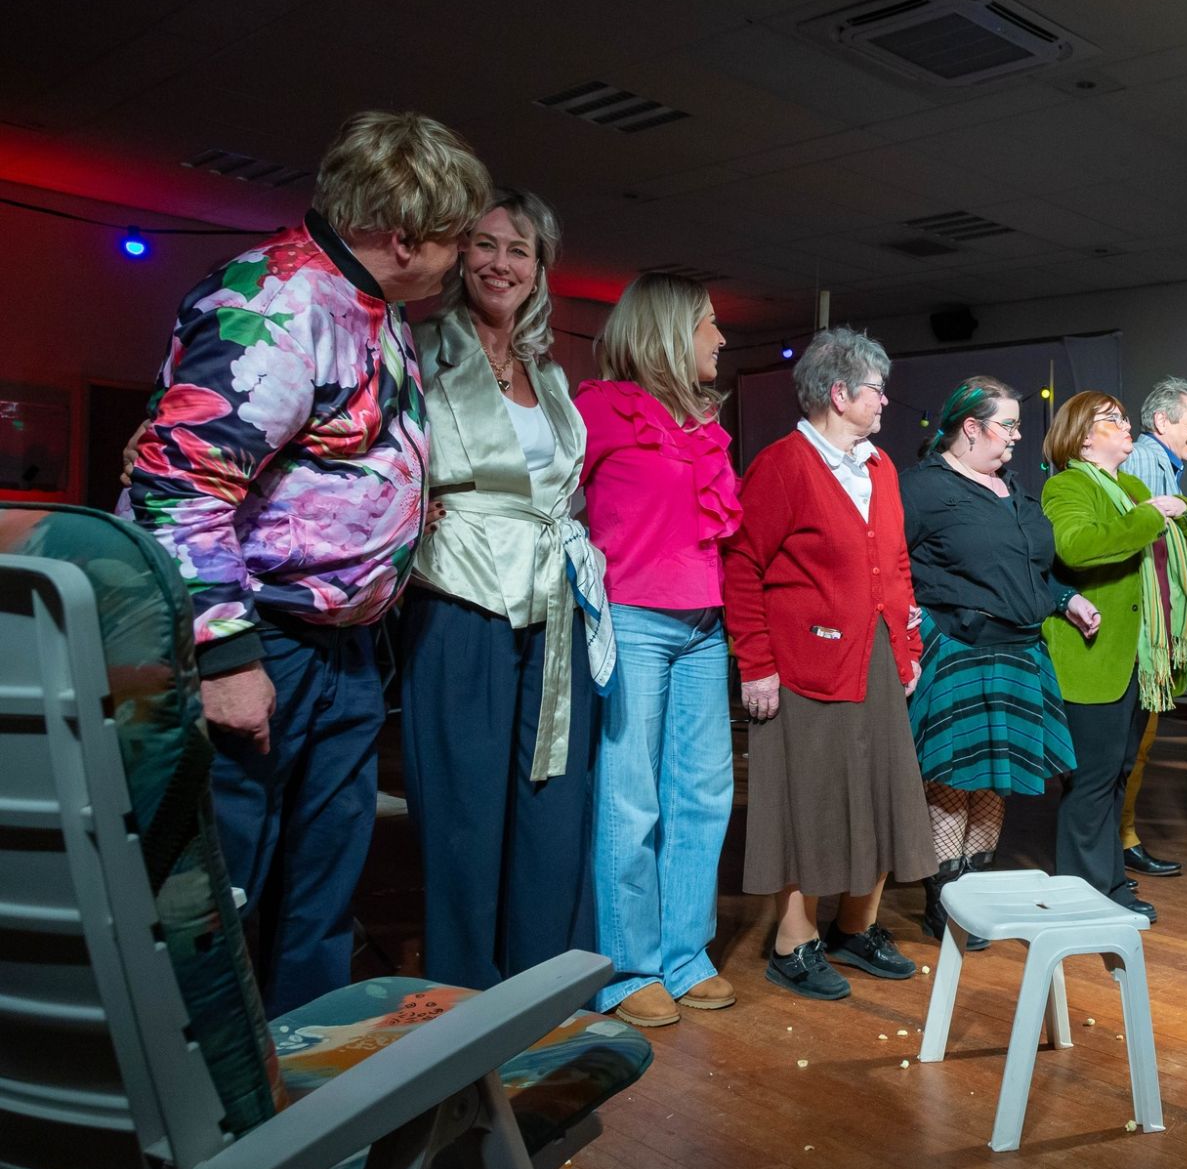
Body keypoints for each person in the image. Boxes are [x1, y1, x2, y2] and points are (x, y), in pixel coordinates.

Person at [123, 111, 490, 1013]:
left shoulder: (372, 306)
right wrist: (225, 660)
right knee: (221, 891)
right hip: (262, 643)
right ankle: (212, 1084)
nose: (460, 260)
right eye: (454, 239)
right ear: (404, 237)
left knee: (320, 892)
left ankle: (304, 1076)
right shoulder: (282, 301)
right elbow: (177, 487)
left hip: (342, 649)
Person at [404, 188, 608, 992]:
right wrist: (414, 505)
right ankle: (462, 995)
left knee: (550, 805)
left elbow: (561, 489)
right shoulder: (419, 349)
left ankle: (542, 987)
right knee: (464, 809)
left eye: (518, 249)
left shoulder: (548, 375)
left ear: (539, 269)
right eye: (485, 244)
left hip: (552, 602)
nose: (501, 263)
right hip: (461, 595)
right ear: (460, 255)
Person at [723, 328, 935, 1001]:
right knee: (807, 802)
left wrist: (907, 649)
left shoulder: (881, 467)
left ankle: (855, 926)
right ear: (839, 394)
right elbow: (743, 566)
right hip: (804, 662)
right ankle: (794, 943)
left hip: (875, 657)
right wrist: (755, 664)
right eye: (876, 389)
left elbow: (895, 563)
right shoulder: (783, 465)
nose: (885, 401)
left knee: (881, 791)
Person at [572, 273, 743, 1026]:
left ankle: (684, 953)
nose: (721, 338)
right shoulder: (601, 409)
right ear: (670, 330)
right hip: (634, 619)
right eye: (709, 323)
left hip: (704, 626)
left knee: (704, 794)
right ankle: (626, 967)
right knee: (629, 796)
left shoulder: (703, 423)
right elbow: (553, 505)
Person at [901, 377, 1093, 945]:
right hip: (960, 650)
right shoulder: (921, 489)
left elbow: (1029, 570)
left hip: (1020, 652)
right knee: (952, 781)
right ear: (970, 427)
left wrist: (1064, 598)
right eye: (1007, 425)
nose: (1016, 436)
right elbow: (887, 566)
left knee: (993, 780)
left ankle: (975, 890)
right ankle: (943, 900)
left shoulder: (1011, 488)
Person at [1041, 392, 1187, 922]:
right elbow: (1077, 546)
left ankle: (1107, 883)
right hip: (1093, 656)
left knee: (1116, 775)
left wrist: (1179, 511)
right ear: (1084, 436)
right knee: (1092, 781)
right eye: (1114, 420)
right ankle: (1086, 895)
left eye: (1125, 418)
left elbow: (1186, 532)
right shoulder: (1067, 486)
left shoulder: (1130, 487)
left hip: (1136, 657)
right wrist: (1153, 516)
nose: (1127, 425)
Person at [1116, 377, 1187, 879]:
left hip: (1152, 623)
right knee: (1134, 744)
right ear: (1162, 421)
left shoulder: (1162, 463)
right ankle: (1120, 840)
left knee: (1140, 742)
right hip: (1142, 629)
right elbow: (1148, 546)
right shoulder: (1148, 460)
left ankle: (1122, 838)